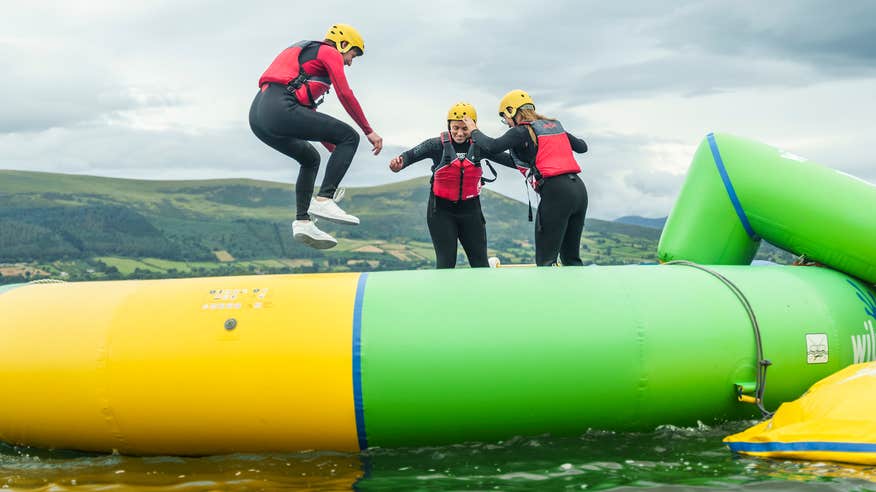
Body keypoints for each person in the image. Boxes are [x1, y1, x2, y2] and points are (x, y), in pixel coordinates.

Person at [249, 24, 383, 250]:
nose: (350, 62)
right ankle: (324, 200)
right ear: (342, 44)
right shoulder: (328, 51)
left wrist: (333, 146)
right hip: (279, 109)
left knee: (310, 159)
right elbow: (344, 93)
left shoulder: (309, 58)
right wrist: (368, 130)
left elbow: (307, 114)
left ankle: (303, 222)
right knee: (350, 136)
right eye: (352, 55)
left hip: (259, 116)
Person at [462, 90, 588, 266]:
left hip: (556, 193)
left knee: (546, 261)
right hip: (579, 191)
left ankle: (549, 294)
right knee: (571, 259)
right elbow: (582, 147)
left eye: (505, 117)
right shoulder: (553, 126)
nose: (506, 122)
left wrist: (474, 131)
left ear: (512, 111)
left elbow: (493, 146)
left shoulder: (520, 131)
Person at [389, 103, 516, 269]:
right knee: (446, 264)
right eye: (455, 128)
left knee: (480, 264)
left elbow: (512, 162)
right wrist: (398, 164)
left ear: (473, 126)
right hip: (441, 212)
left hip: (471, 211)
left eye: (465, 128)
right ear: (449, 125)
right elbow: (409, 156)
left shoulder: (480, 146)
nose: (460, 133)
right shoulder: (435, 145)